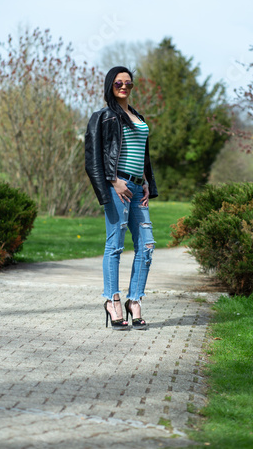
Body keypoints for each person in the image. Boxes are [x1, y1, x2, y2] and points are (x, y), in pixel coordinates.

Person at [85, 66, 158, 330]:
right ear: (110, 86)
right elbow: (93, 160)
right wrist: (113, 181)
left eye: (128, 83)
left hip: (139, 188)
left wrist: (147, 182)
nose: (124, 87)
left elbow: (143, 155)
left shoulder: (137, 116)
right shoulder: (103, 117)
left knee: (147, 246)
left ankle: (134, 301)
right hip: (119, 186)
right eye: (118, 83)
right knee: (115, 245)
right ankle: (112, 301)